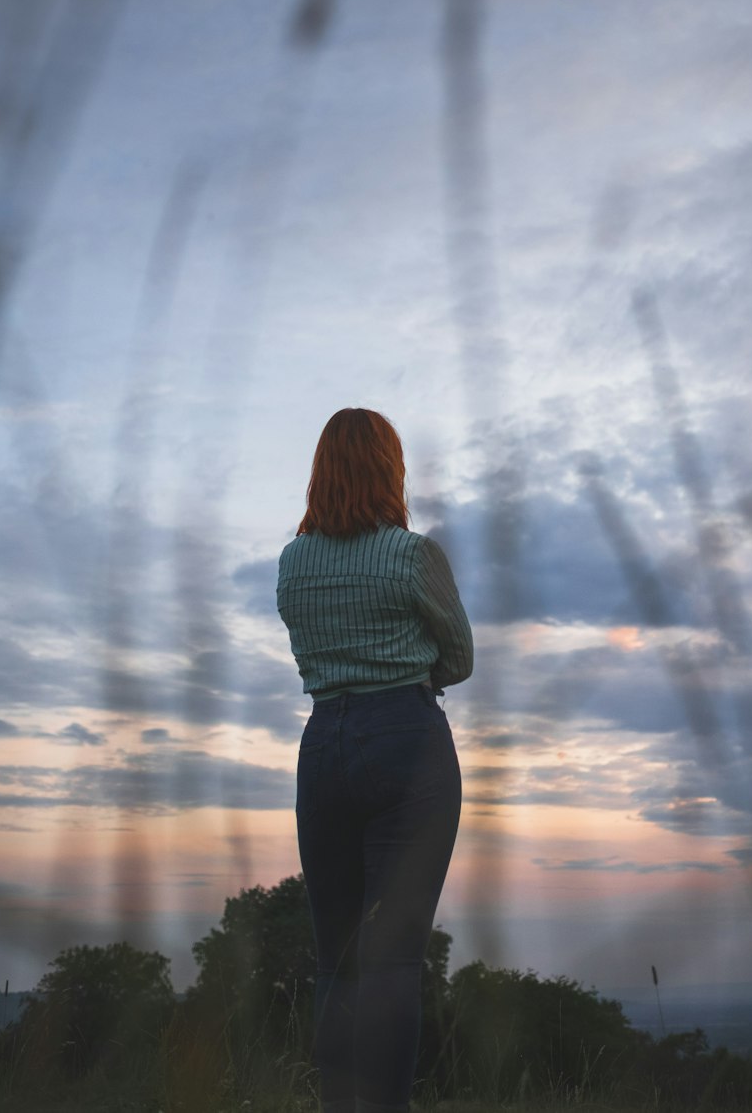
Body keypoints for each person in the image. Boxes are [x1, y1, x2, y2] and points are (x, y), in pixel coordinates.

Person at [277, 407, 473, 1113]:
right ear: (392, 470)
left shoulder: (292, 562)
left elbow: (309, 653)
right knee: (392, 961)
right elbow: (460, 657)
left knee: (337, 960)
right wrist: (408, 672)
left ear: (320, 472)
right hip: (407, 740)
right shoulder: (412, 555)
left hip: (323, 743)